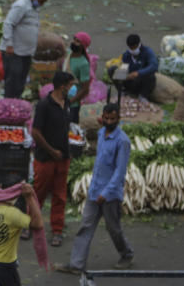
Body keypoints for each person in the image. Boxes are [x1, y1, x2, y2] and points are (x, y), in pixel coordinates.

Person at [56, 104, 134, 273]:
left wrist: (106, 193)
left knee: (113, 228)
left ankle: (126, 253)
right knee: (85, 226)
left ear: (118, 119)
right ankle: (76, 264)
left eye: (113, 119)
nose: (109, 121)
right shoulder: (100, 133)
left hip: (110, 195)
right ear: (103, 117)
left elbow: (120, 172)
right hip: (94, 190)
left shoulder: (122, 141)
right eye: (106, 118)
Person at [32, 71, 74, 247]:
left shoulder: (67, 103)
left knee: (60, 195)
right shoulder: (44, 105)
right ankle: (30, 224)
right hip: (45, 158)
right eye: (71, 85)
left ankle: (57, 230)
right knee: (38, 193)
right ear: (62, 86)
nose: (72, 89)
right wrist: (51, 150)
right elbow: (35, 132)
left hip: (63, 157)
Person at [0, 0, 50, 99]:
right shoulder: (21, 5)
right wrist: (9, 44)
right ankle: (9, 102)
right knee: (13, 78)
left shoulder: (34, 7)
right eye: (41, 1)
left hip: (26, 51)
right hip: (14, 51)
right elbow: (8, 24)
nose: (41, 4)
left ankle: (16, 101)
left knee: (21, 79)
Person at [121, 33, 158, 99]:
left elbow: (154, 66)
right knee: (112, 70)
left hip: (143, 80)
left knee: (150, 75)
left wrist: (138, 73)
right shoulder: (126, 55)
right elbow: (124, 66)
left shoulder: (148, 52)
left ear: (139, 44)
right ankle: (125, 91)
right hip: (131, 81)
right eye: (130, 48)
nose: (132, 50)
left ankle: (143, 95)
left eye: (134, 47)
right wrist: (123, 73)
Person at [67, 31, 92, 123]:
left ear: (83, 46)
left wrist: (71, 101)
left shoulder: (83, 64)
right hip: (62, 98)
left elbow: (85, 89)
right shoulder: (68, 55)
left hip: (72, 103)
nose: (74, 42)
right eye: (74, 39)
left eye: (78, 41)